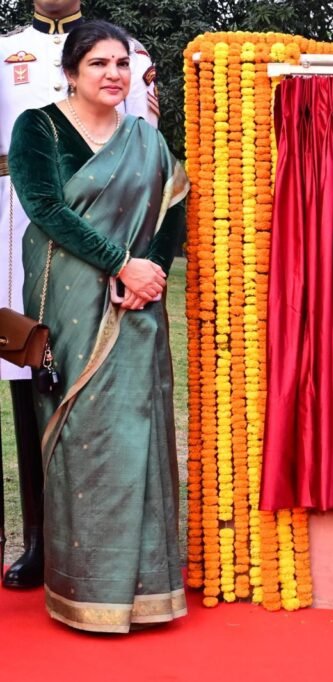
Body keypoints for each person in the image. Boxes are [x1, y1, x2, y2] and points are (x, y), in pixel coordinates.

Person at [7, 19, 187, 632]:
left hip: (138, 302)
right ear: (71, 72)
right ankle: (84, 589)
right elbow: (45, 208)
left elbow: (174, 203)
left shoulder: (144, 137)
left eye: (121, 64)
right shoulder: (39, 127)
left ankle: (148, 589)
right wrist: (119, 263)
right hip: (71, 297)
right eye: (98, 64)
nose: (114, 74)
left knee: (138, 423)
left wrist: (149, 271)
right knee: (83, 429)